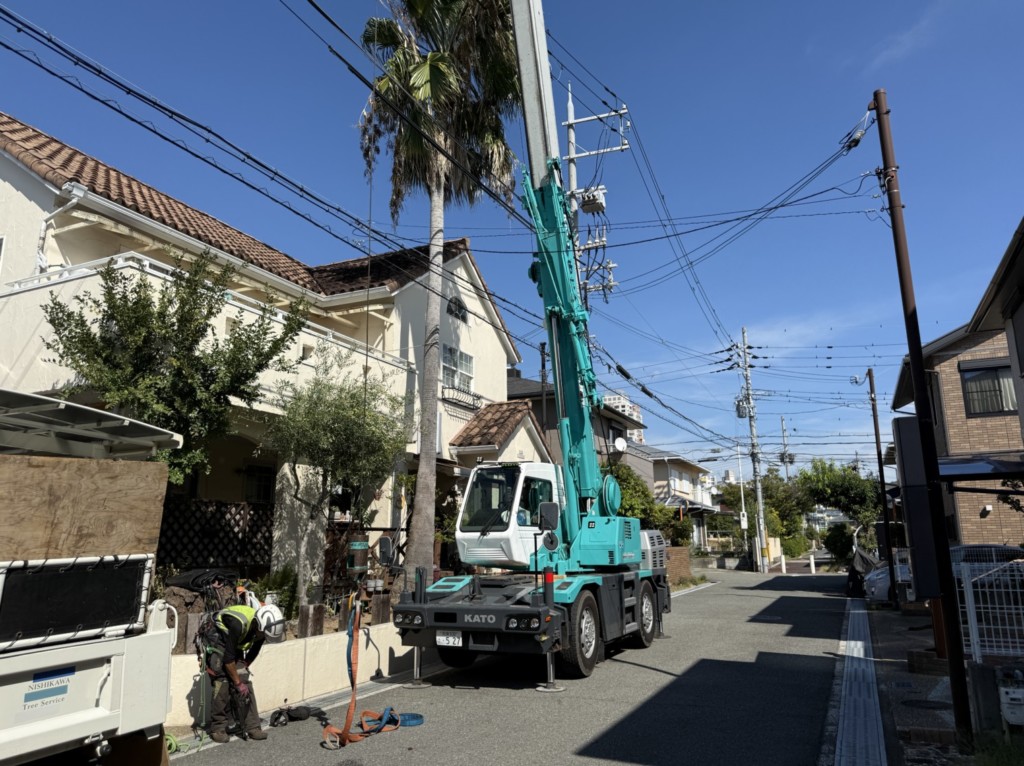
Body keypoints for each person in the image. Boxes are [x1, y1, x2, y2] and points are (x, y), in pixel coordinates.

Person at [205, 603, 284, 743]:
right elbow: (228, 660)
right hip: (219, 641)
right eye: (263, 634)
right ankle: (218, 728)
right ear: (258, 626)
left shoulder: (262, 629)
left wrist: (243, 668)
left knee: (245, 681)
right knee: (222, 681)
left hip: (234, 644)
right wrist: (237, 682)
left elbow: (254, 649)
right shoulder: (238, 625)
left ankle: (252, 726)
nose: (263, 636)